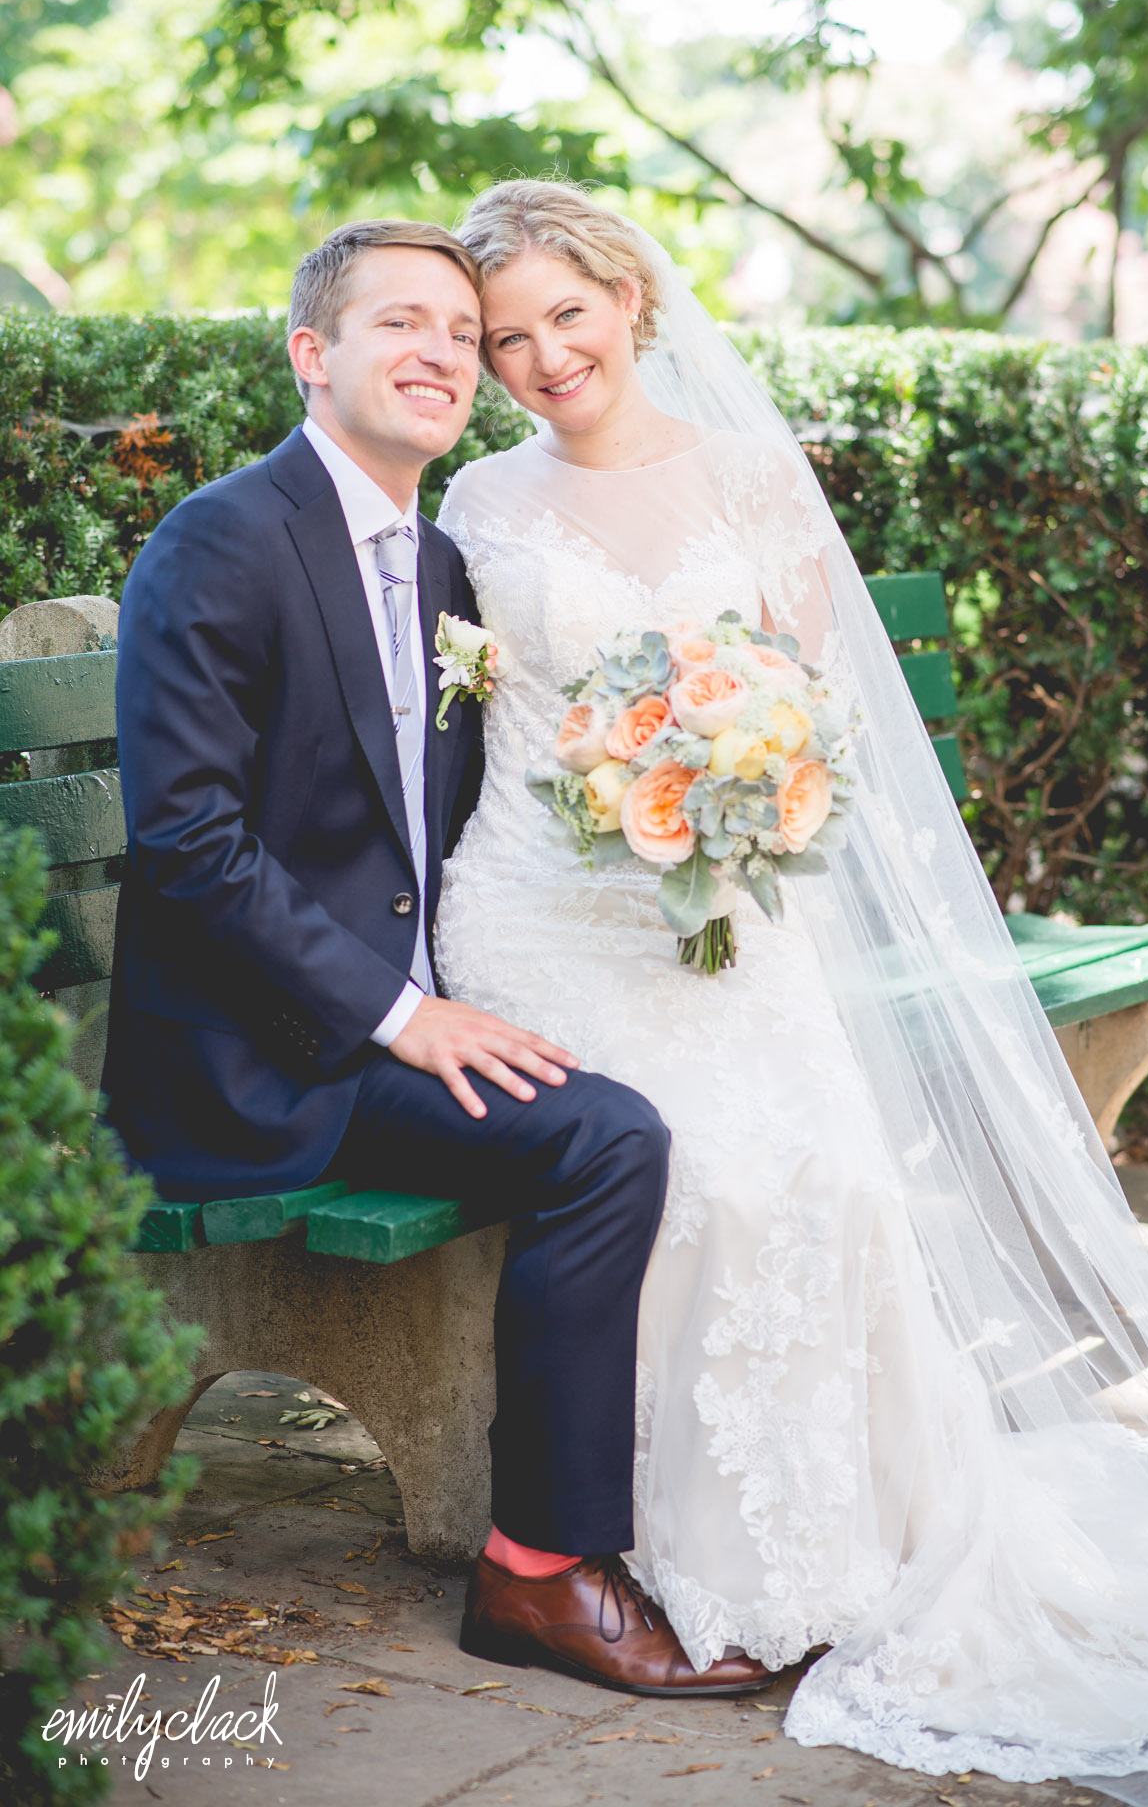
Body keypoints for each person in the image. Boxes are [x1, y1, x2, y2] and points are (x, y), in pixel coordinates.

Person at [434, 179, 1148, 1795]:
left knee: (833, 1173)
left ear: (628, 297)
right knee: (702, 1168)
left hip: (724, 903)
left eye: (564, 317)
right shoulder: (480, 511)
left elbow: (813, 709)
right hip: (536, 913)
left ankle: (828, 1555)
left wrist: (754, 795)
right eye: (508, 339)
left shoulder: (743, 478)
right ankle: (648, 1554)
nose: (540, 357)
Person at [102, 215, 774, 1700]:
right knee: (607, 1140)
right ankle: (538, 1572)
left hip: (391, 1007)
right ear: (311, 355)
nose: (445, 354)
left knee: (620, 1106)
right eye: (401, 323)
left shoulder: (441, 559)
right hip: (256, 1062)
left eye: (465, 336)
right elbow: (189, 846)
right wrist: (405, 1016)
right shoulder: (224, 538)